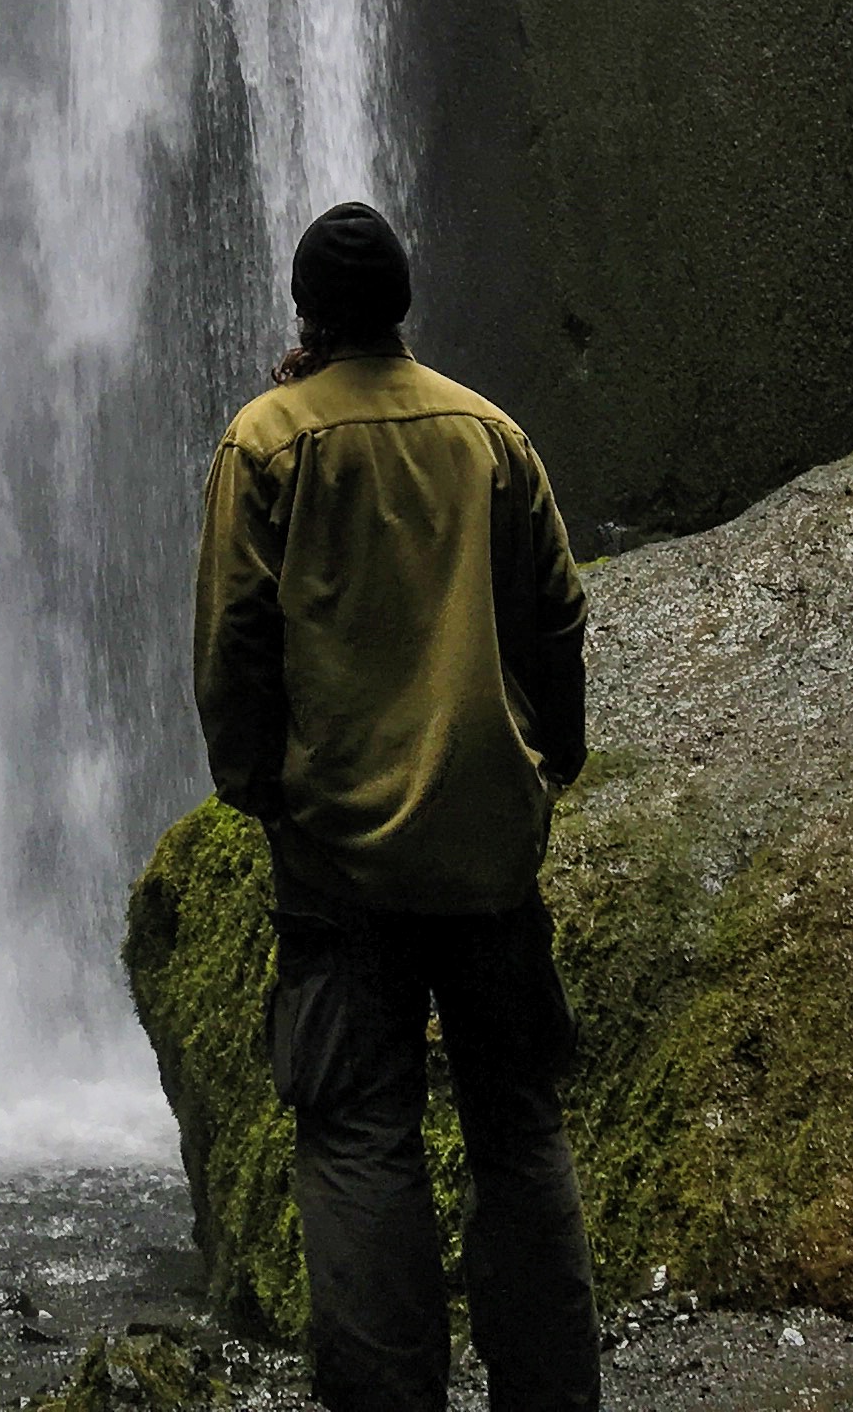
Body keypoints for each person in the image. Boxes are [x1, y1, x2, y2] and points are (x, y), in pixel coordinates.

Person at [192, 201, 599, 1412]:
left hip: (341, 858)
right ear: (403, 306)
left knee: (359, 1135)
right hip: (485, 850)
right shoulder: (491, 435)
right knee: (519, 1130)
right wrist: (551, 762)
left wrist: (258, 788)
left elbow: (232, 647)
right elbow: (559, 622)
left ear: (306, 312)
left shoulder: (266, 441)